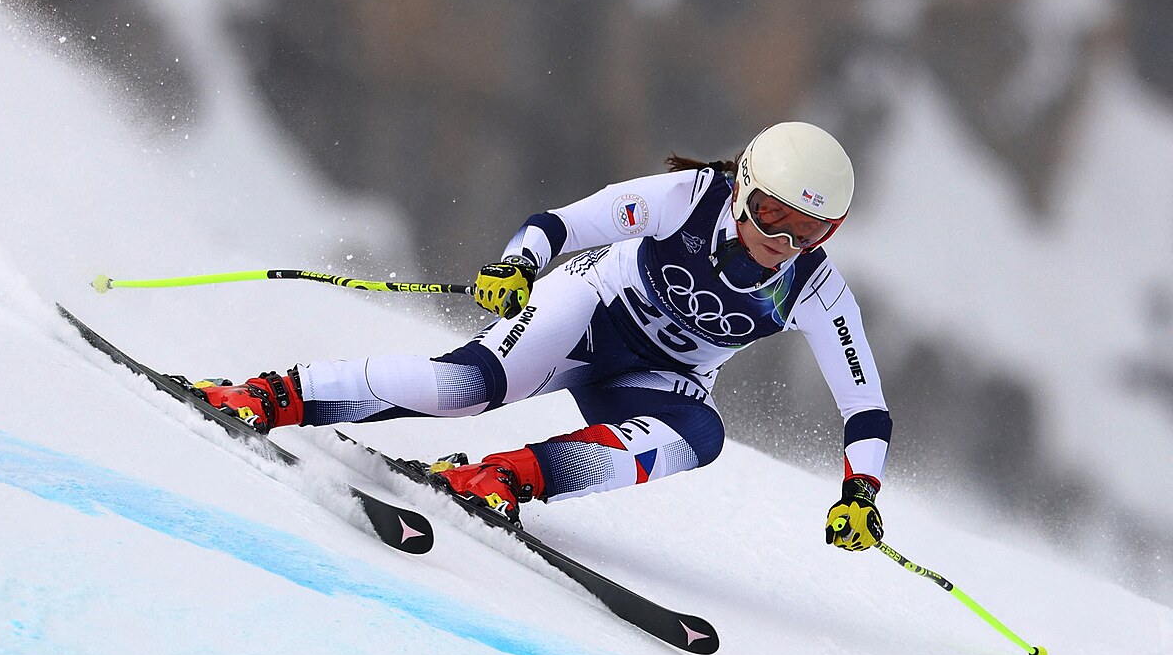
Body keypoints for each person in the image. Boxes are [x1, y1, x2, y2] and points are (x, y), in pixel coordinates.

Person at [196, 122, 891, 553]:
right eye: (772, 214)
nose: (783, 241)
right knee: (463, 388)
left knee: (700, 436)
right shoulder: (688, 199)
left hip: (654, 380)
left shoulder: (815, 288)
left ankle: (502, 477)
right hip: (588, 314)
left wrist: (861, 491)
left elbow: (863, 404)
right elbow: (562, 224)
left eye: (809, 231)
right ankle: (268, 394)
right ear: (743, 188)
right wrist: (517, 264)